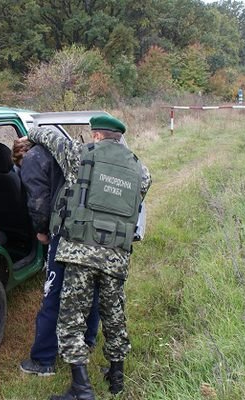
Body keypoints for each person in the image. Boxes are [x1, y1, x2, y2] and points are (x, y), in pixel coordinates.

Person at [22, 115, 151, 399]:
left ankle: (81, 388)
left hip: (80, 252)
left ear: (95, 135)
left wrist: (31, 131)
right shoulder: (140, 169)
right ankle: (116, 377)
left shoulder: (79, 154)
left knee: (71, 319)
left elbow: (50, 139)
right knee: (114, 315)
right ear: (119, 137)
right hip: (116, 256)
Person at [12, 136, 100, 377]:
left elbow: (39, 202)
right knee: (91, 286)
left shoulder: (32, 159)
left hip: (63, 232)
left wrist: (41, 231)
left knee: (54, 292)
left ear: (21, 154)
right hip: (91, 228)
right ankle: (88, 340)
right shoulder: (64, 152)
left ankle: (43, 360)